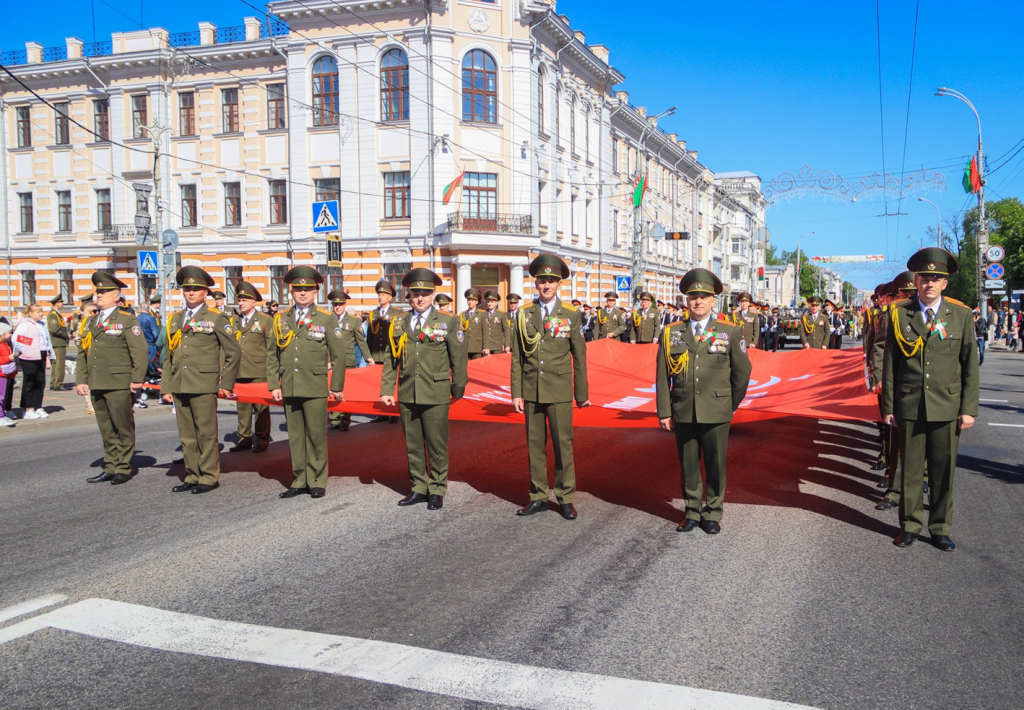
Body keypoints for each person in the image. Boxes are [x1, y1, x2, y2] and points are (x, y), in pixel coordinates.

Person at [883, 248, 980, 551]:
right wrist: (888, 407)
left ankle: (939, 527)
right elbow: (890, 365)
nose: (929, 283)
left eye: (936, 278)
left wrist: (968, 410)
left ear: (945, 284)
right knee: (910, 471)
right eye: (925, 278)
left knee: (942, 471)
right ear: (917, 279)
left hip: (947, 407)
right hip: (910, 404)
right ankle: (910, 526)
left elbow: (969, 367)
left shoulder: (961, 315)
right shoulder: (900, 314)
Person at [657, 268, 750, 534]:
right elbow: (662, 374)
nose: (698, 301)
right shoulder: (671, 332)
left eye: (704, 297)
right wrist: (665, 410)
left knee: (715, 463)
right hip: (684, 408)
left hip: (717, 409)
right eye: (693, 296)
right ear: (686, 300)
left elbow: (742, 372)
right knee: (688, 463)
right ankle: (692, 510)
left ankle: (712, 512)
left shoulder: (729, 331)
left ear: (713, 301)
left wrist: (728, 403)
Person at [381, 268, 468, 510]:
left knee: (437, 443)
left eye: (425, 293)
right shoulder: (399, 322)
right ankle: (419, 486)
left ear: (433, 295)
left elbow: (458, 359)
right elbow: (391, 358)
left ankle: (437, 488)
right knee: (413, 443)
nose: (420, 298)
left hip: (436, 391)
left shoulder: (448, 322)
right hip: (408, 390)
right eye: (416, 293)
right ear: (409, 295)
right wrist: (387, 389)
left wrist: (457, 389)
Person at [511, 254, 590, 520]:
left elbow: (579, 356)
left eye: (551, 281)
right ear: (536, 284)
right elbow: (517, 357)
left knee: (562, 445)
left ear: (559, 284)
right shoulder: (523, 314)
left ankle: (566, 498)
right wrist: (517, 392)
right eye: (542, 281)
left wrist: (581, 394)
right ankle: (538, 496)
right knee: (534, 445)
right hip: (531, 389)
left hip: (558, 389)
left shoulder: (571, 314)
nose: (546, 286)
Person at [161, 266, 241, 494]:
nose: (191, 293)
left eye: (195, 289)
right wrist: (166, 386)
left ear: (205, 292)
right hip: (180, 383)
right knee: (186, 434)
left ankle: (208, 476)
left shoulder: (216, 317)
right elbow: (170, 354)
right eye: (187, 289)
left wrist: (226, 383)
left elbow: (233, 352)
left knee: (205, 432)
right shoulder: (176, 319)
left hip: (204, 383)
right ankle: (192, 474)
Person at [268, 266, 346, 499]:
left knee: (316, 436)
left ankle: (317, 480)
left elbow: (339, 355)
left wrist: (336, 387)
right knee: (296, 436)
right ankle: (299, 479)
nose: (302, 293)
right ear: (291, 292)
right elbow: (272, 353)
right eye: (298, 289)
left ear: (316, 292)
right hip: (290, 385)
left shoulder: (326, 319)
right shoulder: (281, 320)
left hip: (314, 385)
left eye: (307, 289)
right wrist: (273, 384)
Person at [75, 271, 149, 483]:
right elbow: (83, 353)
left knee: (122, 425)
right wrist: (81, 379)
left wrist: (137, 378)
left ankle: (123, 467)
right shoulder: (90, 322)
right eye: (98, 292)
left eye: (104, 292)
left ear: (116, 296)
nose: (98, 295)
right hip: (97, 381)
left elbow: (139, 351)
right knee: (106, 427)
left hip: (119, 382)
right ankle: (110, 464)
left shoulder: (127, 320)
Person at [875, 276, 913, 508]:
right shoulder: (894, 314)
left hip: (933, 391)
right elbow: (880, 347)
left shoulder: (950, 313)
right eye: (904, 294)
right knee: (896, 439)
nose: (907, 298)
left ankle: (924, 481)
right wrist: (879, 377)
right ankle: (895, 490)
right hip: (899, 387)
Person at [229, 281, 274, 452]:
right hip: (239, 370)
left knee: (261, 408)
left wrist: (272, 373)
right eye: (239, 300)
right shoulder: (233, 321)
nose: (241, 303)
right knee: (242, 407)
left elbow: (271, 347)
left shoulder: (265, 320)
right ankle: (244, 438)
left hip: (259, 370)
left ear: (253, 302)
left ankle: (262, 439)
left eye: (245, 300)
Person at [327, 289, 372, 432]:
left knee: (346, 390)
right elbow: (324, 342)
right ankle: (334, 419)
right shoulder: (328, 320)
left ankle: (345, 418)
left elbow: (361, 341)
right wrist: (327, 360)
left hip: (348, 360)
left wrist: (368, 357)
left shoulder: (353, 321)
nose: (337, 307)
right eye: (335, 305)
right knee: (332, 388)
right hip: (332, 361)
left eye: (340, 304)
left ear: (345, 304)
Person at [366, 279, 400, 423]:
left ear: (390, 297)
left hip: (392, 353)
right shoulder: (373, 313)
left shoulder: (397, 313)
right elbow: (370, 335)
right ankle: (382, 411)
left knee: (391, 380)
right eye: (379, 294)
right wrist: (368, 355)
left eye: (383, 294)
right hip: (377, 354)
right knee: (378, 382)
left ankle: (393, 411)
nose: (380, 297)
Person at [12, 304, 51, 420]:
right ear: (30, 313)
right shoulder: (25, 325)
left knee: (40, 381)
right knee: (30, 382)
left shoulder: (42, 325)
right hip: (29, 356)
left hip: (41, 354)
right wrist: (26, 348)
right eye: (38, 312)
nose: (41, 314)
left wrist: (49, 353)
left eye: (41, 311)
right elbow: (16, 339)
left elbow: (46, 340)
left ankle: (37, 406)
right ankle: (27, 408)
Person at [137, 294, 162, 383]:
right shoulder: (150, 318)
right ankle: (151, 382)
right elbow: (155, 334)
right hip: (150, 345)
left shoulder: (137, 318)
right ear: (148, 309)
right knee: (151, 364)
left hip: (140, 345)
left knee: (143, 364)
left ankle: (145, 381)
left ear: (140, 309)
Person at [47, 296, 69, 391]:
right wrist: (66, 335)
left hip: (58, 342)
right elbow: (55, 329)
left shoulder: (56, 314)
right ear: (57, 303)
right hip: (58, 342)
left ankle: (53, 383)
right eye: (61, 302)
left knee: (56, 364)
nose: (62, 304)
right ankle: (58, 384)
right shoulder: (53, 314)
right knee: (59, 365)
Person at [481, 290, 510, 356]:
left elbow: (506, 330)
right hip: (485, 345)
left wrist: (507, 345)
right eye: (488, 302)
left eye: (492, 302)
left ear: (496, 303)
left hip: (497, 345)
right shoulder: (483, 314)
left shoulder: (501, 314)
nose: (489, 304)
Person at [460, 288, 486, 359]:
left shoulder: (482, 314)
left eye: (472, 300)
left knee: (477, 367)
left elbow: (485, 331)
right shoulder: (463, 314)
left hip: (477, 347)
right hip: (465, 346)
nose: (470, 302)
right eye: (469, 300)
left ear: (477, 301)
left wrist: (486, 347)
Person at [0, 323, 17, 427]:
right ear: (2, 334)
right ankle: (0, 417)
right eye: (9, 333)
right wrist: (8, 358)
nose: (10, 335)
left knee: (4, 396)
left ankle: (2, 414)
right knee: (0, 397)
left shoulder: (6, 344)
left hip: (7, 374)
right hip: (1, 374)